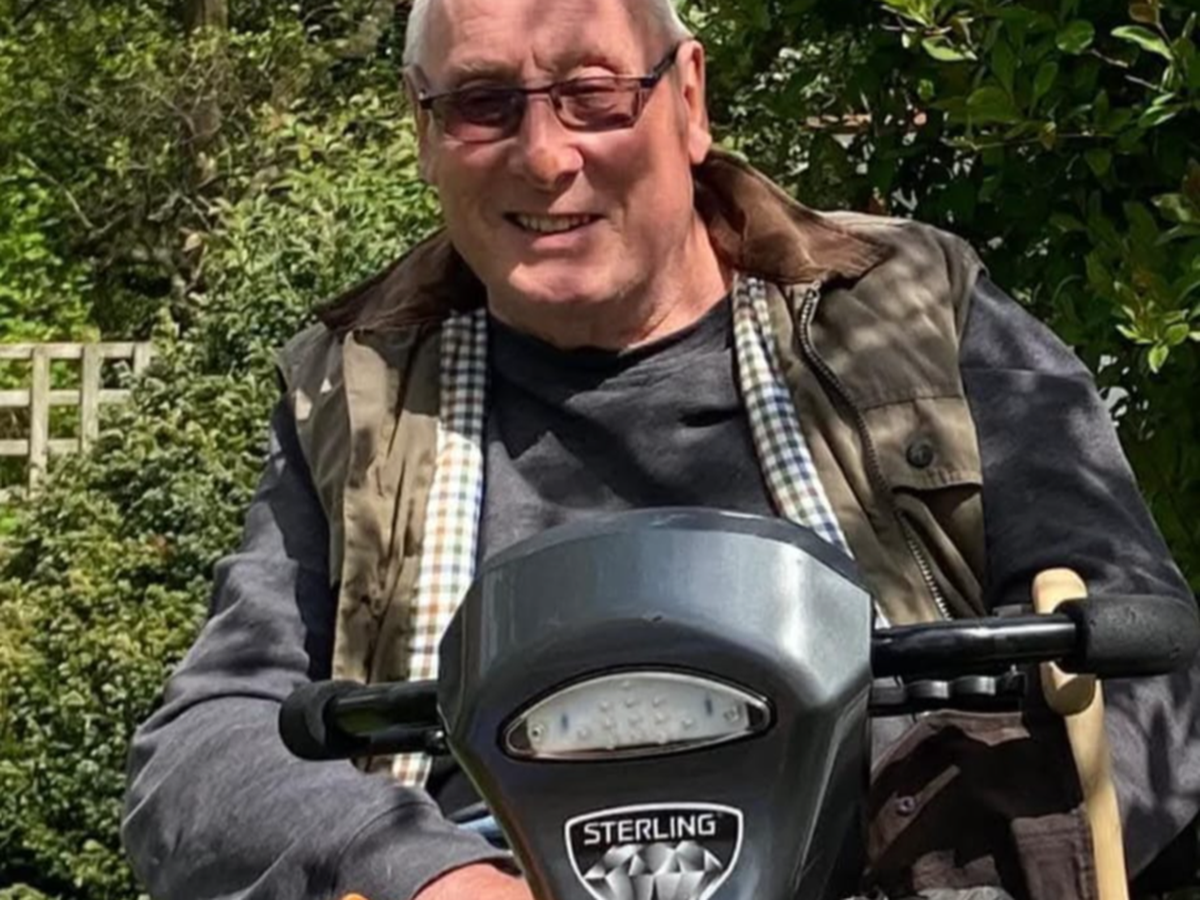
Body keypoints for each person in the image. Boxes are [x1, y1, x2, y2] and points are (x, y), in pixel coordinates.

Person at [121, 0, 1200, 897]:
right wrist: (425, 875)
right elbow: (202, 749)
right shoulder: (358, 392)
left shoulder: (912, 314)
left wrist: (962, 867)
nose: (546, 157)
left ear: (689, 100)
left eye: (593, 93)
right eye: (484, 104)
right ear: (424, 133)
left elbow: (1152, 672)